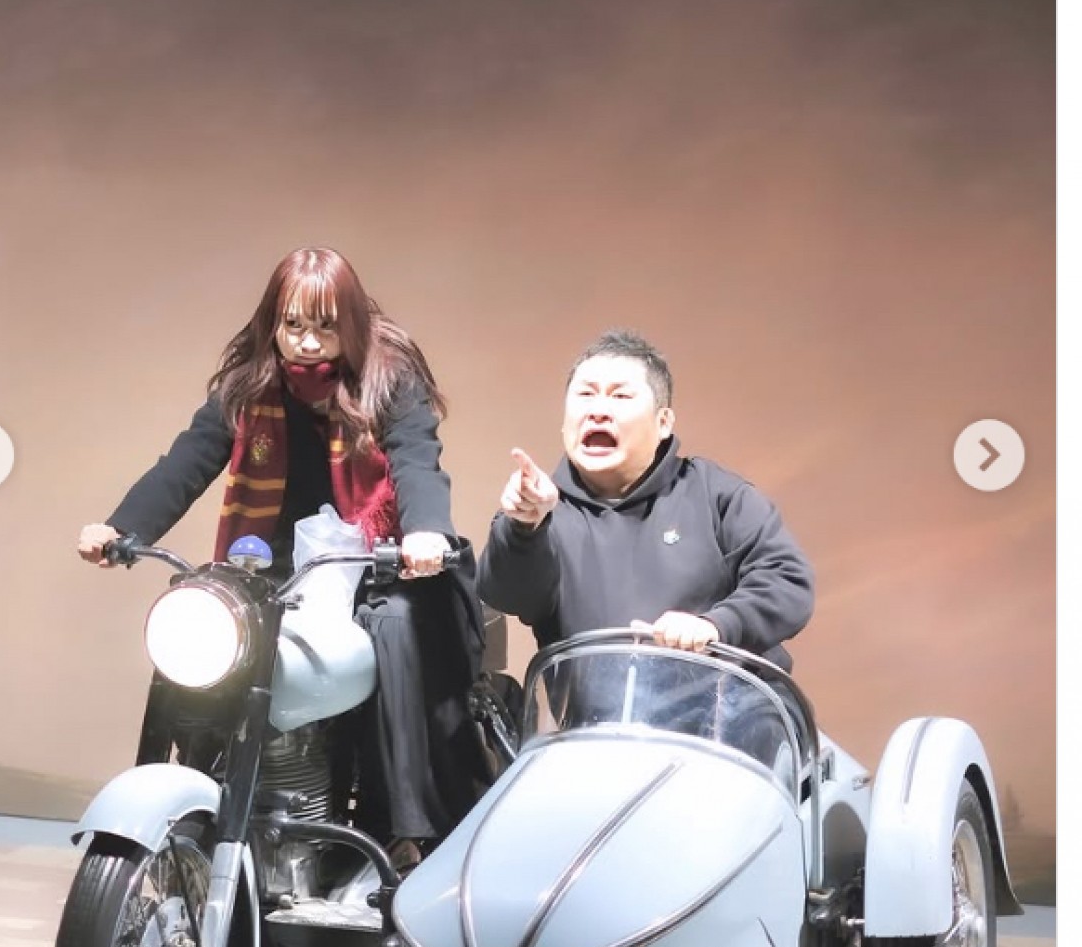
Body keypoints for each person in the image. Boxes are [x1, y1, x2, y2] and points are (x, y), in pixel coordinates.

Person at [79, 247, 487, 861]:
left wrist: (426, 532)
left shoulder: (388, 379)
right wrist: (120, 528)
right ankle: (196, 780)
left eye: (325, 325)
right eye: (293, 324)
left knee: (397, 626)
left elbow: (416, 458)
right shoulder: (248, 385)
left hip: (375, 563)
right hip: (273, 566)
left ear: (351, 323)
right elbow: (186, 462)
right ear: (273, 321)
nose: (308, 341)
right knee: (202, 621)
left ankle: (405, 829)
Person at [478, 328, 814, 668]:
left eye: (621, 396)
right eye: (586, 394)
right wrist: (523, 529)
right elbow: (507, 597)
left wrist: (717, 625)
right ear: (565, 423)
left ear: (663, 422)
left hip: (725, 698)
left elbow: (788, 580)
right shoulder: (540, 512)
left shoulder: (715, 493)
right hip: (596, 702)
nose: (598, 411)